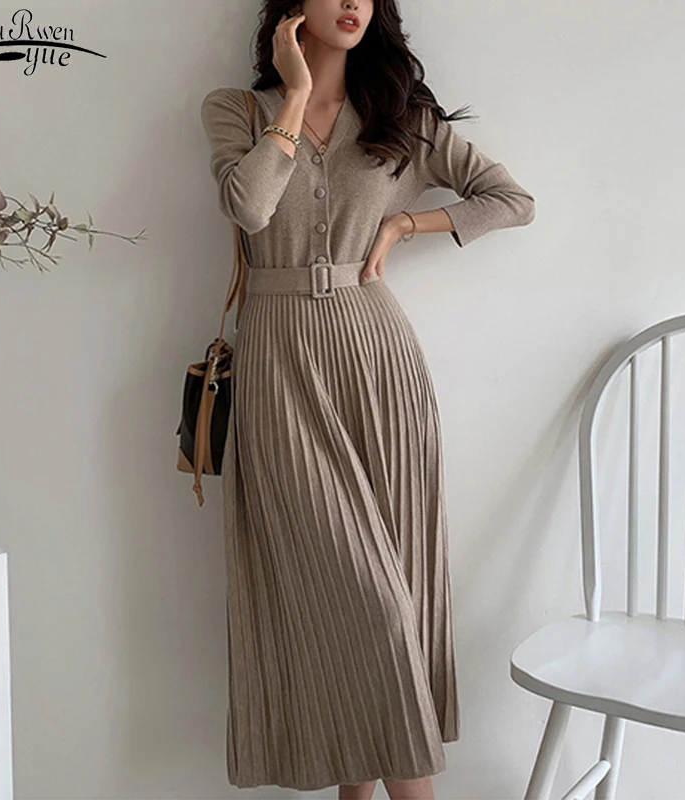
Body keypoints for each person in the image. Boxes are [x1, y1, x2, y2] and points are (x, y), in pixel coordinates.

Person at [199, 1, 535, 798]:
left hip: (378, 359)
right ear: (293, 9)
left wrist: (406, 225)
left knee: (398, 598)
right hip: (281, 362)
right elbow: (248, 207)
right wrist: (293, 94)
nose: (353, 2)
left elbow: (511, 199)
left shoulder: (400, 117)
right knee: (365, 609)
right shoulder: (236, 109)